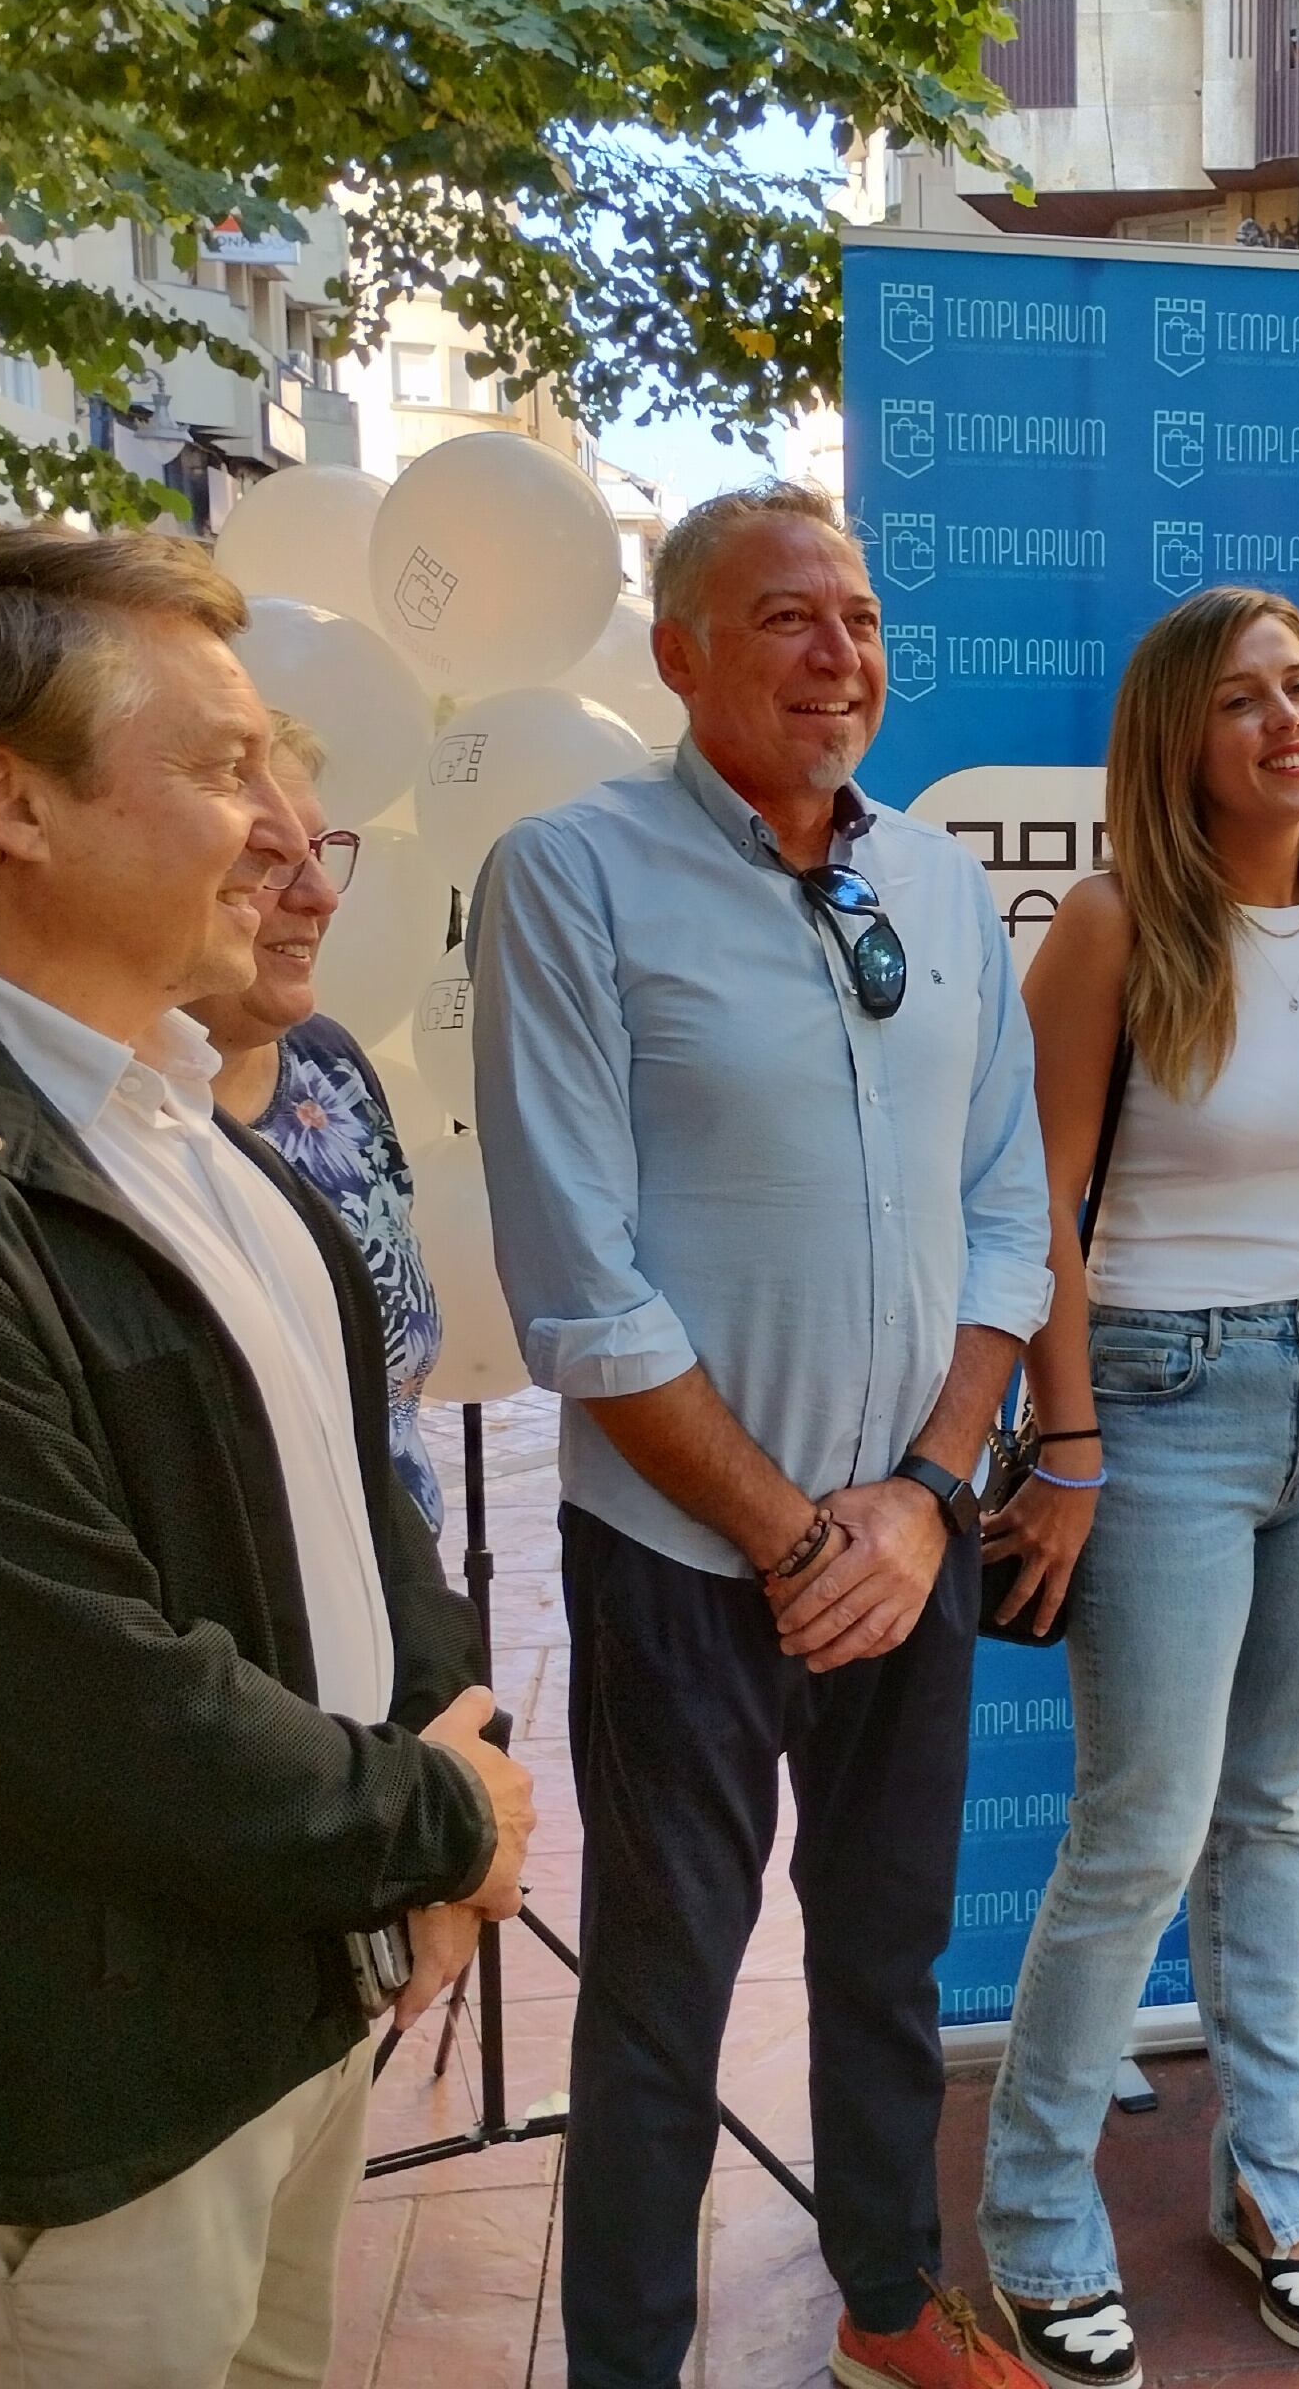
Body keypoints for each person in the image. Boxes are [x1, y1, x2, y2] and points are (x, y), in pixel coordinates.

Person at [0, 524, 534, 2389]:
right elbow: (72, 1694)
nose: (281, 826)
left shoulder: (187, 1114)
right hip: (92, 2095)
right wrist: (444, 1821)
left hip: (292, 2001)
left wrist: (446, 1759)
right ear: (9, 799)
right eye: (222, 766)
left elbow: (358, 1503)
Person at [468, 480, 1051, 2389]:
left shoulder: (943, 883)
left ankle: (887, 2298)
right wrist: (798, 1537)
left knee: (888, 1954)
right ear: (678, 654)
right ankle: (630, 2362)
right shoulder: (573, 874)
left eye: (860, 618)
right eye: (787, 617)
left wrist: (923, 1493)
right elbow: (579, 1280)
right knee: (661, 1991)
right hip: (685, 1561)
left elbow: (1003, 1213)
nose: (838, 652)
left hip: (913, 1542)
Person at [974, 589, 1299, 2388]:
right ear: (1175, 736)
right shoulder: (1111, 926)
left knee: (1265, 1810)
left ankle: (1267, 2178)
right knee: (1138, 1826)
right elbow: (1034, 1197)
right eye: (1246, 697)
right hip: (1154, 1391)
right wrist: (1070, 1438)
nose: (1291, 719)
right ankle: (1035, 2211)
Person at [188, 711, 446, 1534]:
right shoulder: (110, 1115)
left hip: (410, 1623)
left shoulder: (327, 1064)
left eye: (321, 852)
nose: (320, 896)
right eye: (267, 863)